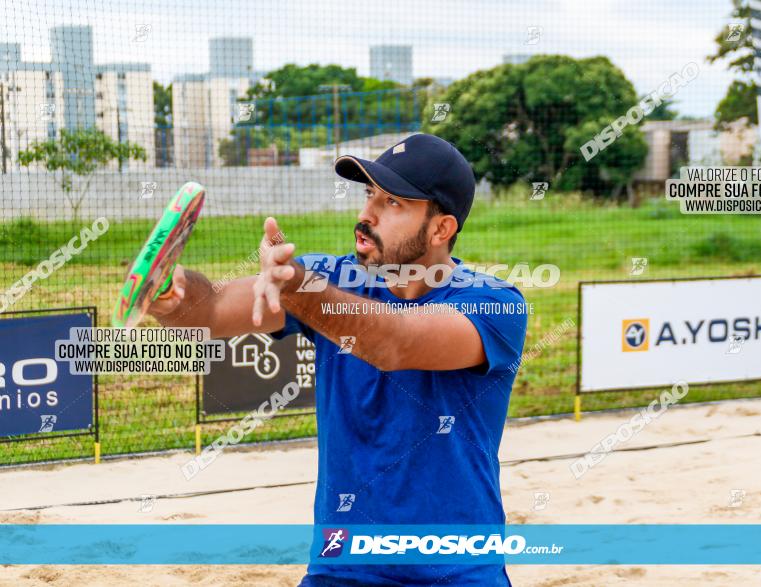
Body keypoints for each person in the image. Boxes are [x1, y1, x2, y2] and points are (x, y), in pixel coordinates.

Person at [149, 133, 529, 585]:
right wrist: (173, 294)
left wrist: (297, 289)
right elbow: (210, 310)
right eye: (369, 194)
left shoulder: (495, 303)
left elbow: (395, 344)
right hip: (342, 565)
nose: (365, 215)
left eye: (392, 203)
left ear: (440, 229)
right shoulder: (327, 278)